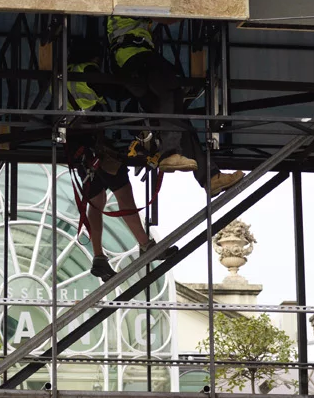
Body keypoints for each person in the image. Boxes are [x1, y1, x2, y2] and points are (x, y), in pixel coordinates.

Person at [106, 16, 244, 196]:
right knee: (171, 88)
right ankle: (169, 152)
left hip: (129, 61)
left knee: (178, 117)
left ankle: (210, 177)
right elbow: (166, 18)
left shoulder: (129, 0)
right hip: (134, 56)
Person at [66, 47, 152, 281]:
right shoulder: (87, 71)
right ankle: (145, 245)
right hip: (97, 146)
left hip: (77, 148)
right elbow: (113, 91)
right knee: (124, 194)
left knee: (96, 202)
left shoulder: (63, 76)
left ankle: (99, 257)